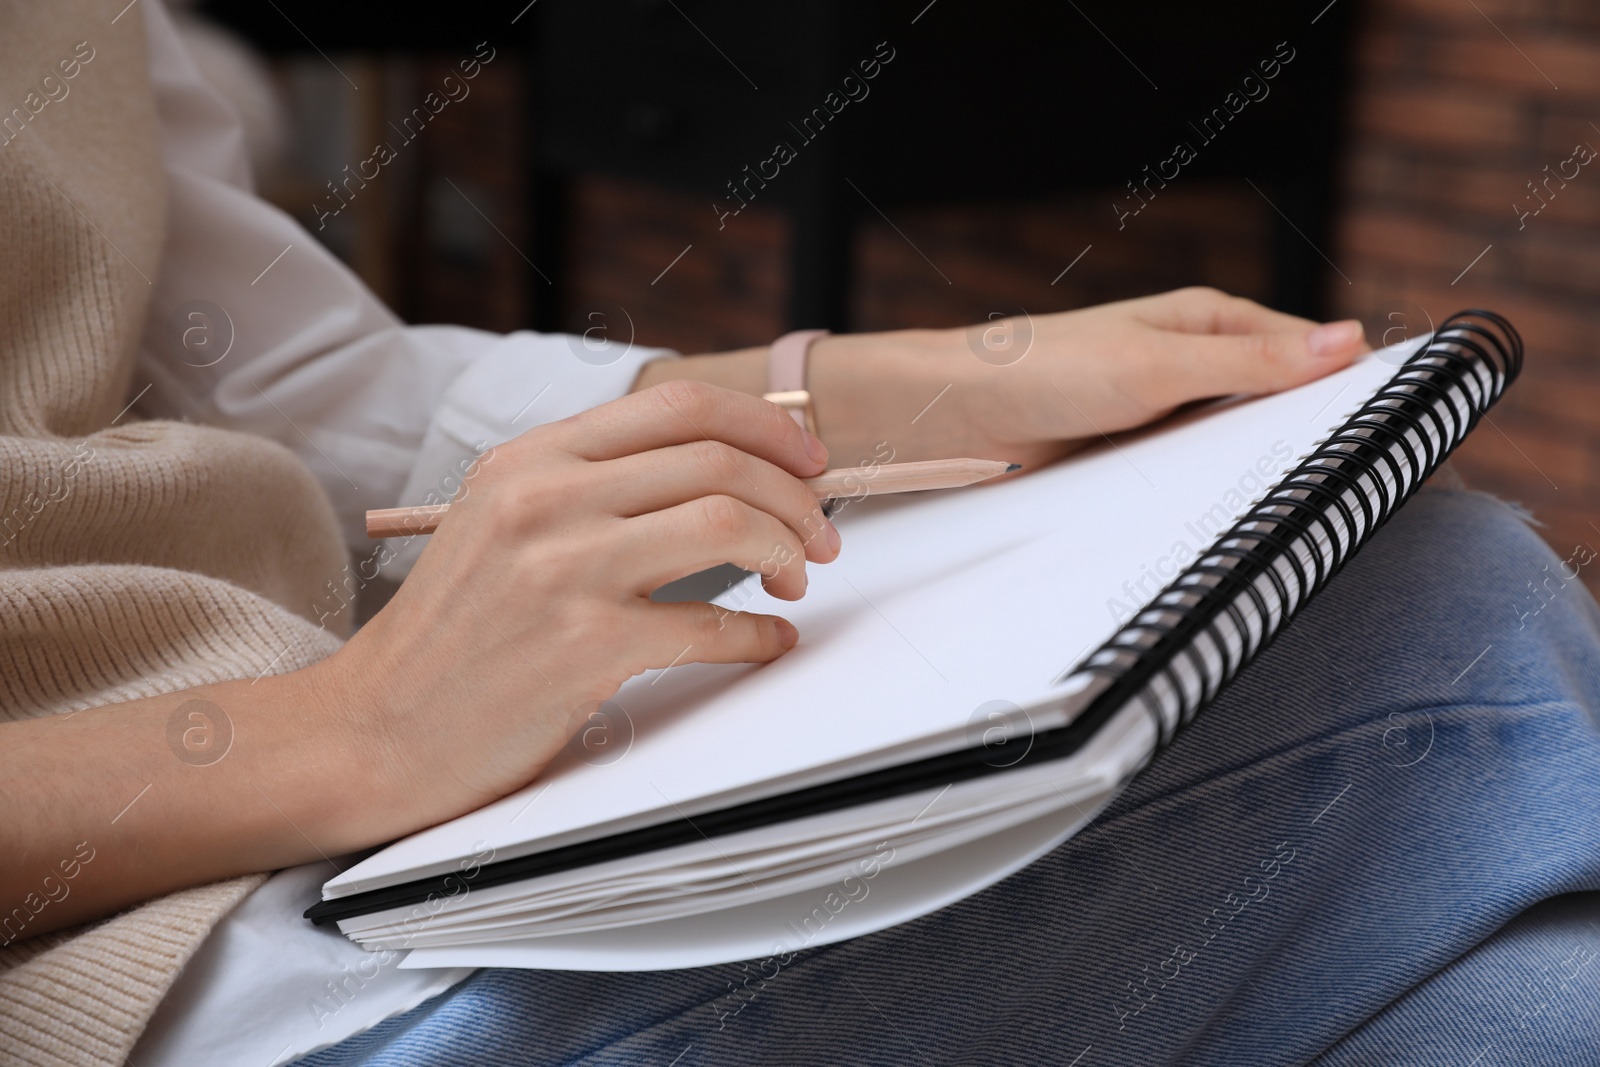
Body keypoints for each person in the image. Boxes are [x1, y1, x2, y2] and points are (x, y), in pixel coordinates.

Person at [3, 3, 1599, 1066]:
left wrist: (894, 394)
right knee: (1436, 610)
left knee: (1529, 1010)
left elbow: (287, 379)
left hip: (364, 815)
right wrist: (344, 733)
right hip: (146, 964)